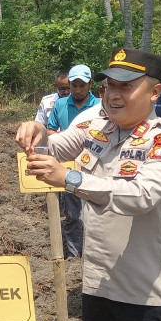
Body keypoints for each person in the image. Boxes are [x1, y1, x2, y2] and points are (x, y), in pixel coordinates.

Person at [16, 48, 161, 321]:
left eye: (126, 87)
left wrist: (71, 178)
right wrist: (37, 131)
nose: (113, 94)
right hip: (99, 285)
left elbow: (141, 196)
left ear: (155, 93)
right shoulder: (99, 126)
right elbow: (56, 143)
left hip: (145, 292)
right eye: (109, 85)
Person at [47, 64, 101, 258]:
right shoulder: (60, 105)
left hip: (94, 166)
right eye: (74, 85)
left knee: (94, 213)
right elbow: (51, 130)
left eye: (82, 86)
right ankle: (73, 253)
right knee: (71, 213)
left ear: (90, 84)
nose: (78, 90)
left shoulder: (100, 107)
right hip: (68, 166)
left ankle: (92, 252)